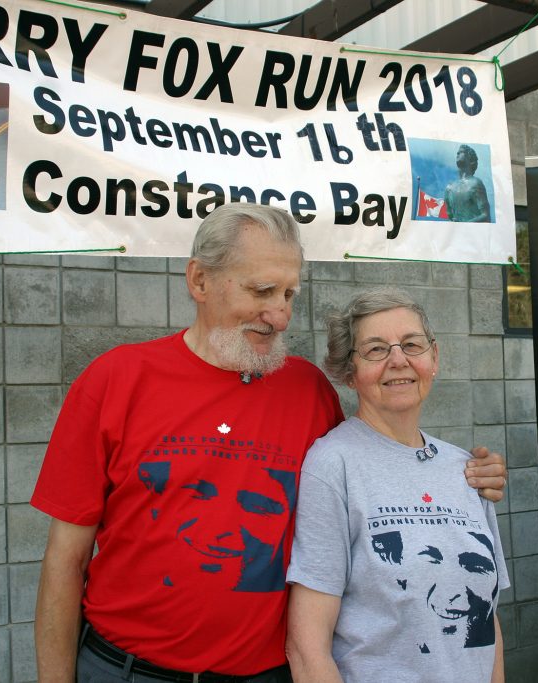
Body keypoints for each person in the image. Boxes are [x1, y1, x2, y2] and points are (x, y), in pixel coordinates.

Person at [31, 204, 507, 682]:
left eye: (288, 294)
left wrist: (462, 474)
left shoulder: (307, 389)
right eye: (262, 291)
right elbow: (65, 560)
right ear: (199, 280)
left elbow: (371, 472)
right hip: (127, 671)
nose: (279, 315)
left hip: (266, 674)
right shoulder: (116, 379)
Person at [286, 288, 508, 683]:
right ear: (349, 372)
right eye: (375, 349)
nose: (398, 360)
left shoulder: (466, 469)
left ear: (434, 358)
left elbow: (488, 620)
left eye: (411, 344)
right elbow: (307, 649)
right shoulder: (333, 464)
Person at [444, 144, 491, 223]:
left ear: (470, 159)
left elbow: (486, 216)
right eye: (457, 153)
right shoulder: (449, 188)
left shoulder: (476, 184)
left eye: (461, 152)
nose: (457, 154)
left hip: (473, 233)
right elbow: (450, 217)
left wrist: (464, 225)